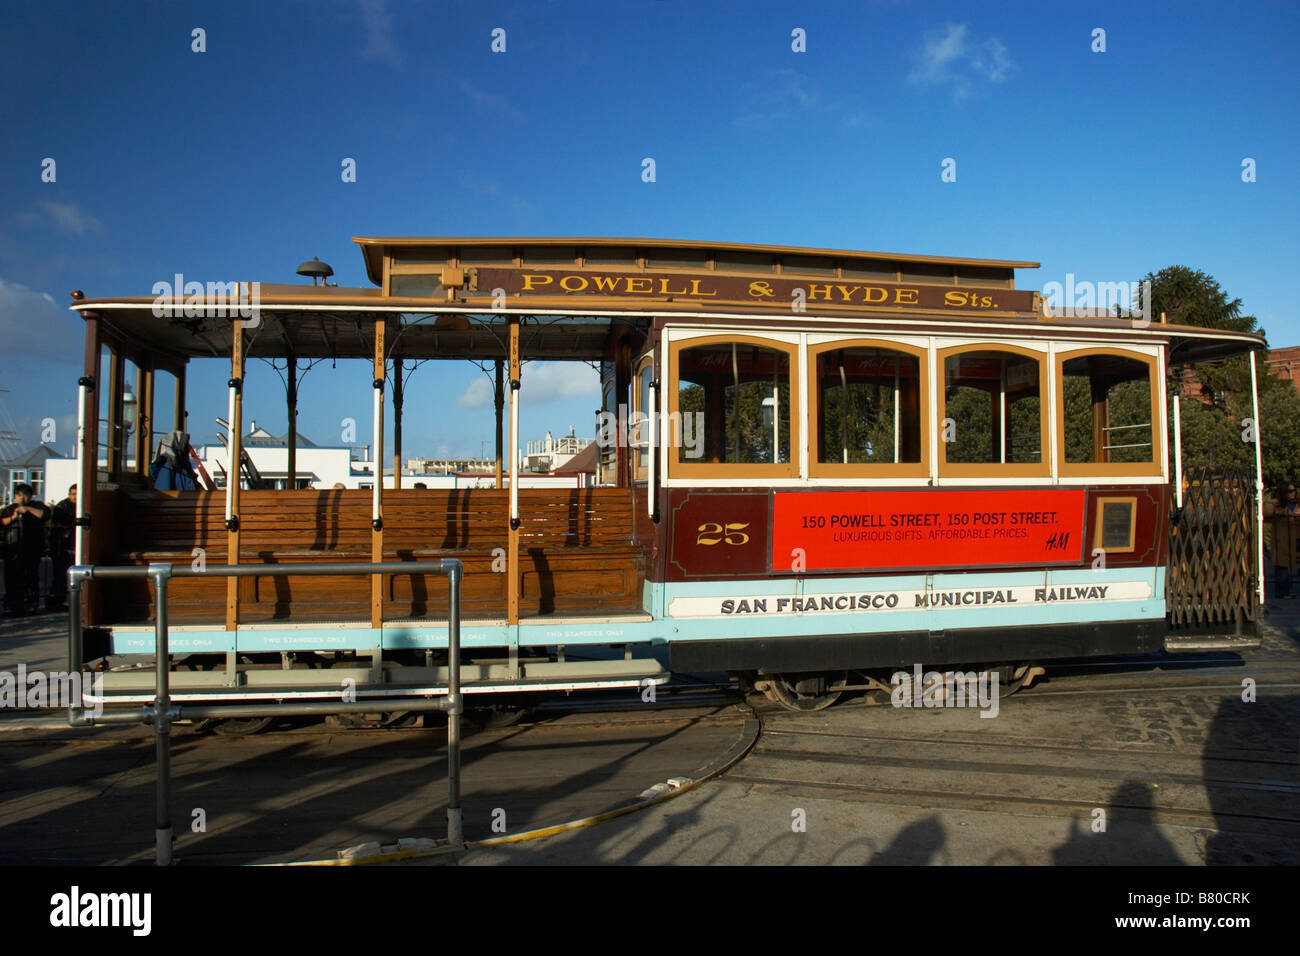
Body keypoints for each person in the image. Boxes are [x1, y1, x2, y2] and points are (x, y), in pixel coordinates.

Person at [1, 483, 49, 616]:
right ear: (15, 496)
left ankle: (30, 604)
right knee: (12, 578)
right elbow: (2, 522)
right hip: (13, 551)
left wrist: (27, 509)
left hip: (32, 549)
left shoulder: (37, 506)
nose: (22, 498)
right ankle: (12, 604)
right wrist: (13, 518)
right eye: (19, 495)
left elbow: (45, 515)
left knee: (31, 577)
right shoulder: (9, 509)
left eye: (25, 495)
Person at [1265, 479, 1300, 599]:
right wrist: (1280, 512)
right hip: (1282, 538)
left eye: (1294, 491)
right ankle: (1282, 592)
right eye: (1290, 491)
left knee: (1288, 565)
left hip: (1295, 537)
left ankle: (1286, 590)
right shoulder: (1276, 503)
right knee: (1282, 566)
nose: (1293, 493)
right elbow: (1266, 511)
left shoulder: (1296, 503)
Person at [47, 484, 77, 611]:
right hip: (62, 546)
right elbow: (59, 524)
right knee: (60, 574)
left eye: (77, 494)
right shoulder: (62, 506)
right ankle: (56, 601)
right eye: (73, 494)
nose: (75, 497)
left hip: (72, 543)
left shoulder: (82, 505)